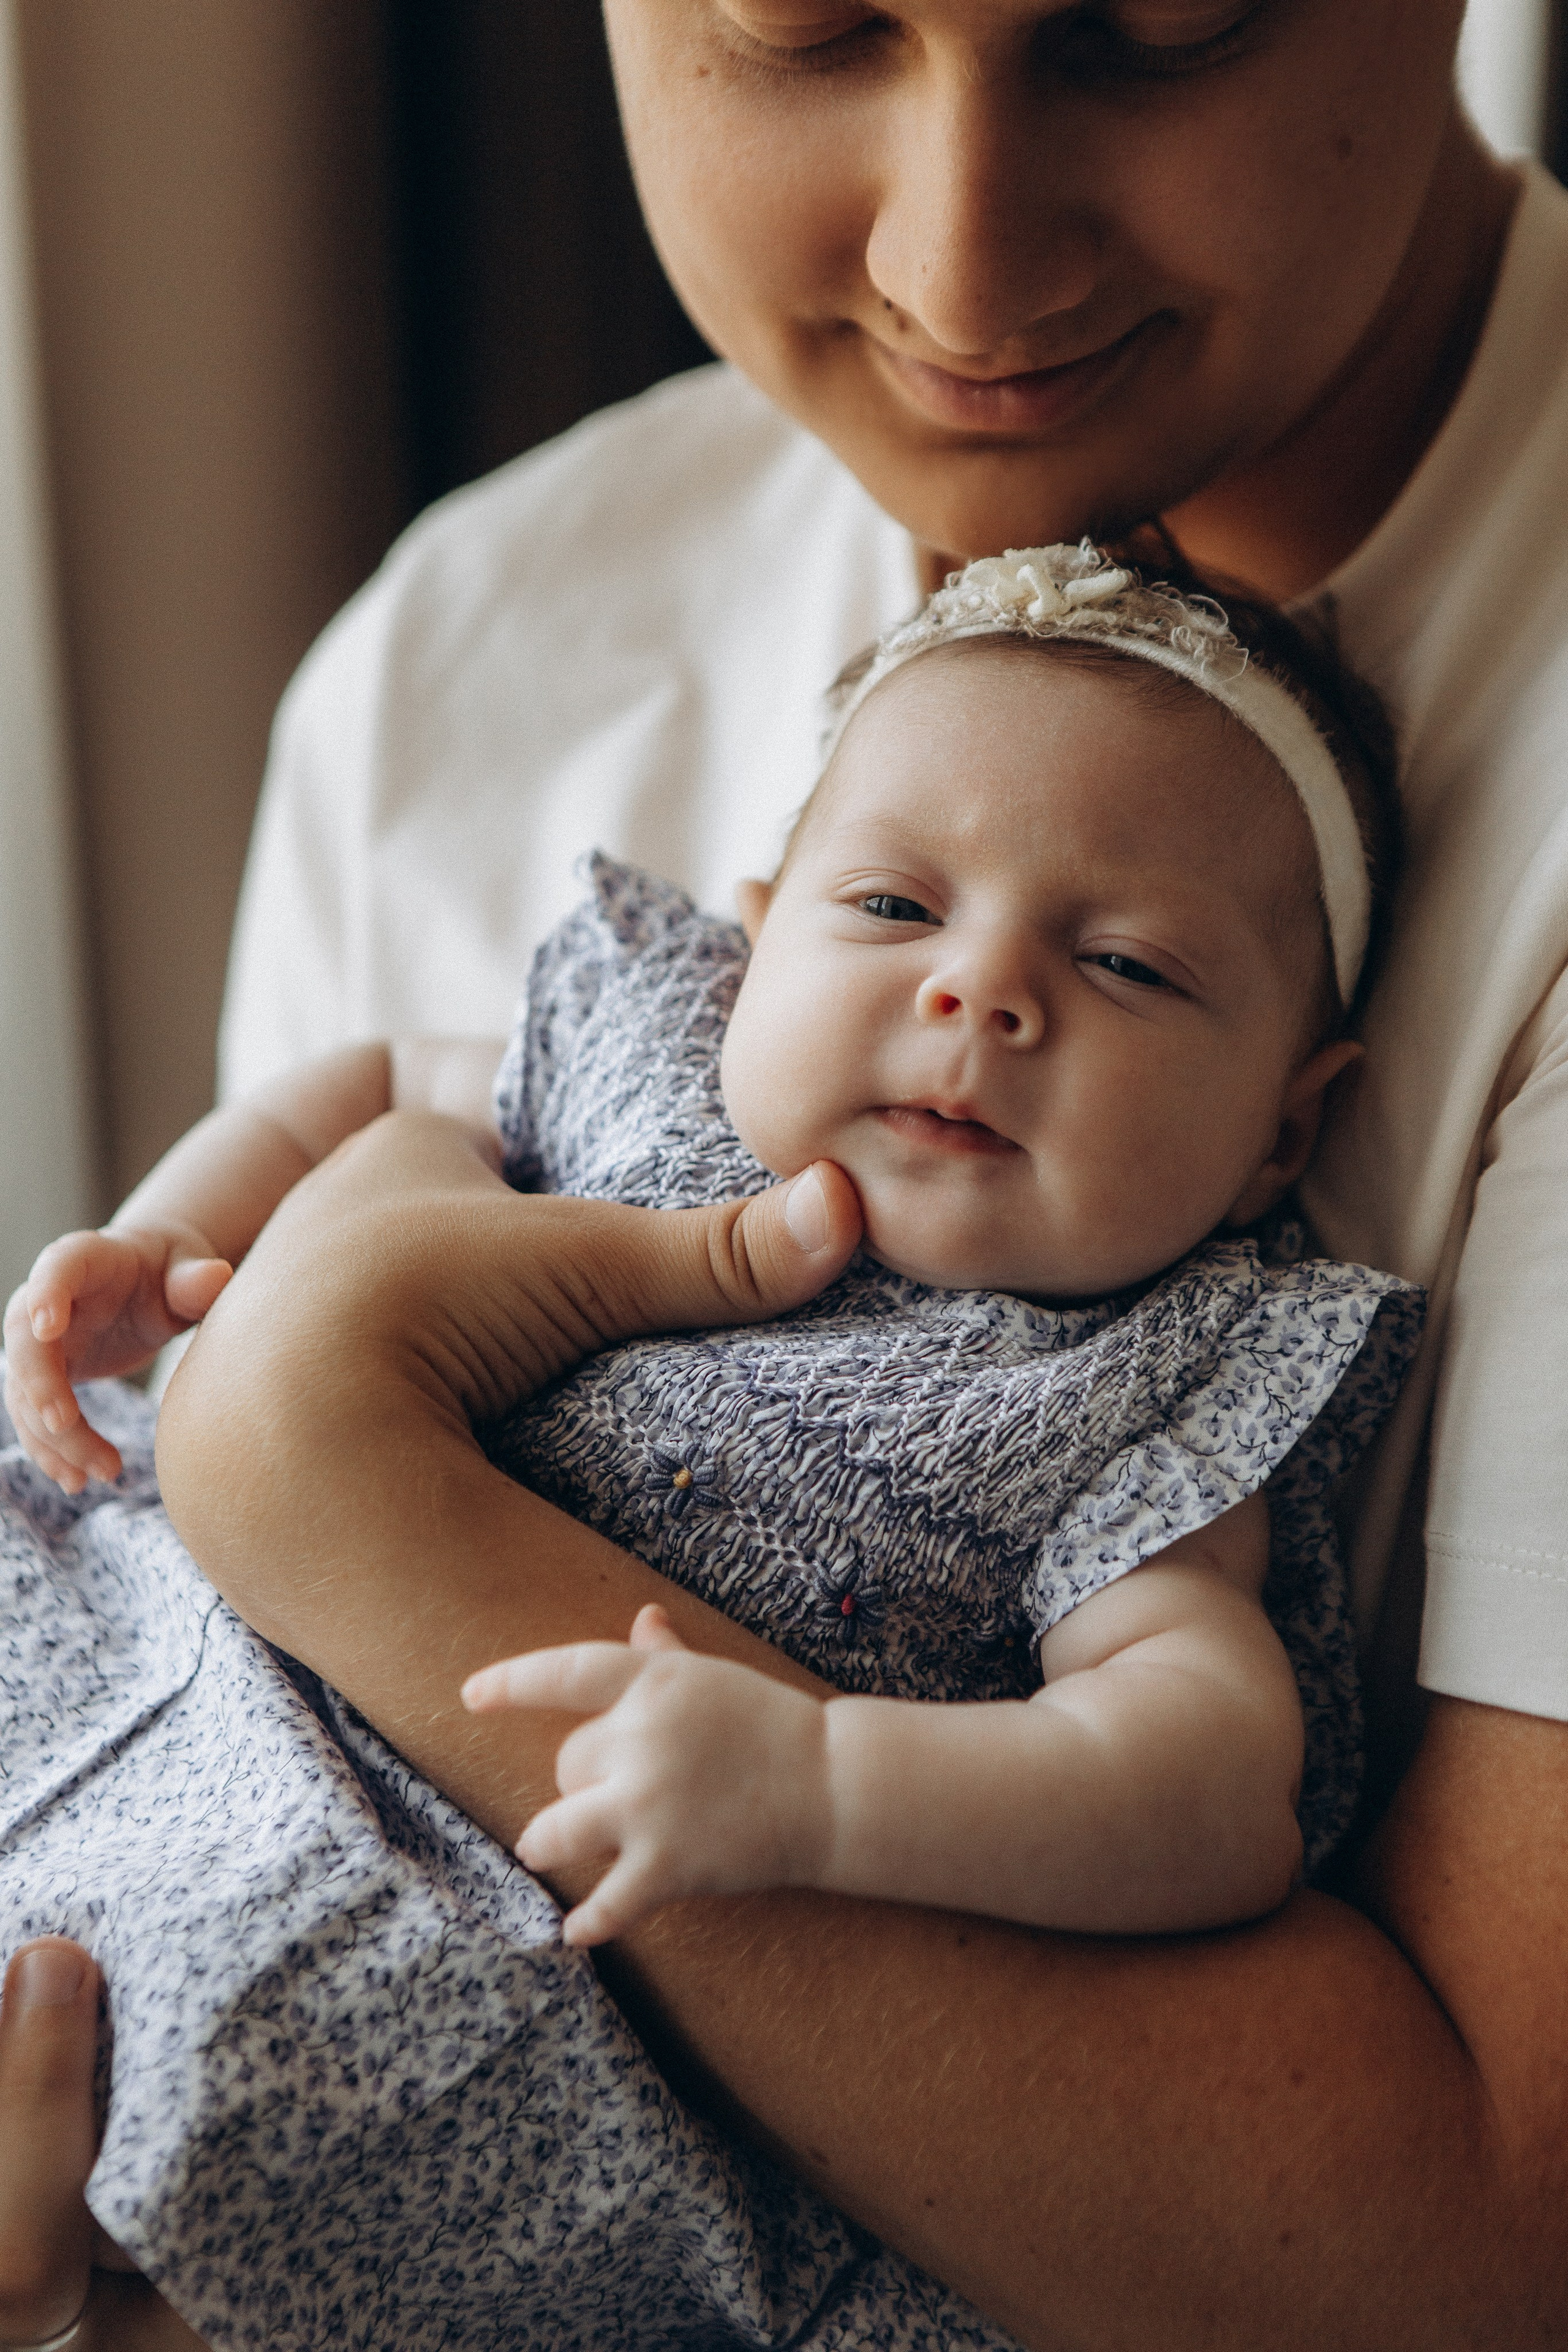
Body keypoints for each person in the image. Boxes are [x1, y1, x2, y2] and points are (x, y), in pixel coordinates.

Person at [6, 1, 1568, 2344]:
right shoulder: (459, 676)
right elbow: (354, 1124)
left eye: (1154, 30)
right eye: (800, 24)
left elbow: (1465, 2246)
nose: (963, 258)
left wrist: (306, 1440)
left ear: (1296, 1109)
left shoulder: (1166, 1393)